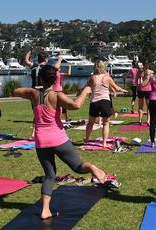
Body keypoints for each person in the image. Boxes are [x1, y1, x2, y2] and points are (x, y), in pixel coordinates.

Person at [12, 65, 115, 220]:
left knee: (49, 175)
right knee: (78, 167)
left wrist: (36, 87)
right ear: (55, 79)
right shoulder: (56, 95)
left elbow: (15, 91)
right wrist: (85, 91)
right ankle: (92, 167)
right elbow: (76, 105)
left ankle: (45, 210)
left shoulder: (33, 93)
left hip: (41, 140)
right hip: (58, 138)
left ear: (41, 78)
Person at [84, 61, 128, 148]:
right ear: (103, 67)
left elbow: (87, 88)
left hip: (94, 102)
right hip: (105, 101)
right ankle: (104, 143)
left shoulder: (92, 77)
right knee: (106, 123)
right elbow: (116, 88)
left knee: (91, 123)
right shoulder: (107, 77)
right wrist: (124, 90)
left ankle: (87, 139)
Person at [52, 56, 72, 121]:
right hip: (59, 91)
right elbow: (68, 73)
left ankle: (65, 118)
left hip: (53, 91)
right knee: (62, 105)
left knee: (55, 105)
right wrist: (69, 66)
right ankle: (62, 118)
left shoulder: (52, 74)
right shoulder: (59, 74)